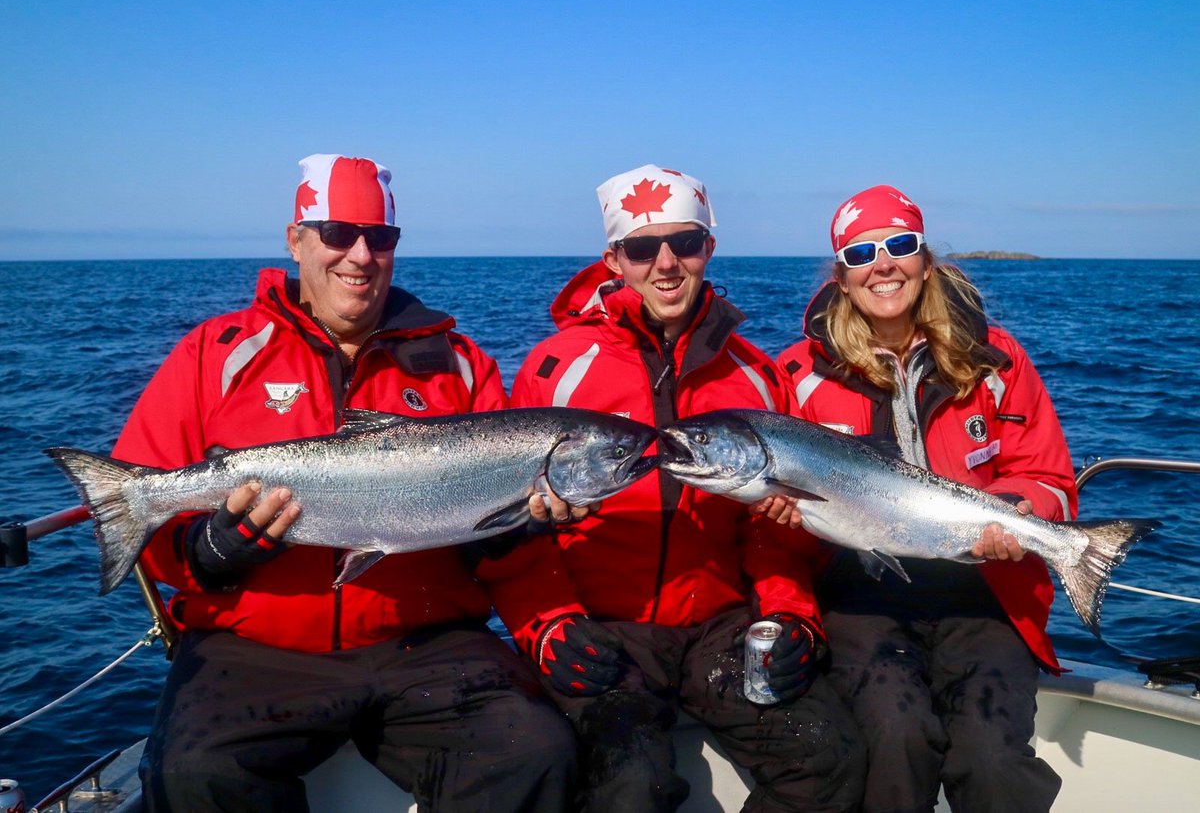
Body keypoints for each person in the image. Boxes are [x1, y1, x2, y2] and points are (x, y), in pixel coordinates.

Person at [113, 154, 577, 812]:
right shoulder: (215, 355)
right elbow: (148, 498)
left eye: (380, 237)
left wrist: (516, 544)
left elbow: (503, 543)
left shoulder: (461, 365)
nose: (360, 255)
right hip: (254, 648)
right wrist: (204, 555)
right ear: (295, 239)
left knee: (533, 751)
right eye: (337, 233)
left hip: (428, 643)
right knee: (194, 775)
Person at [491, 165, 866, 812]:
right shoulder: (555, 369)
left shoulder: (756, 376)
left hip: (721, 625)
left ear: (708, 249)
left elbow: (775, 529)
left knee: (827, 756)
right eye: (642, 248)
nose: (665, 263)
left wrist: (790, 615)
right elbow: (509, 528)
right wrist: (546, 624)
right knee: (627, 785)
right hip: (602, 627)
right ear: (614, 259)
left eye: (685, 243)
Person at [774, 185, 1075, 813]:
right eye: (861, 252)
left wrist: (1019, 513)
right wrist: (780, 515)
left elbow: (1047, 477)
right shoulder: (796, 375)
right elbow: (787, 518)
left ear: (926, 260)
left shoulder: (998, 357)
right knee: (894, 737)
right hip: (862, 593)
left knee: (993, 760)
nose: (883, 264)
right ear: (842, 274)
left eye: (900, 245)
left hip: (985, 588)